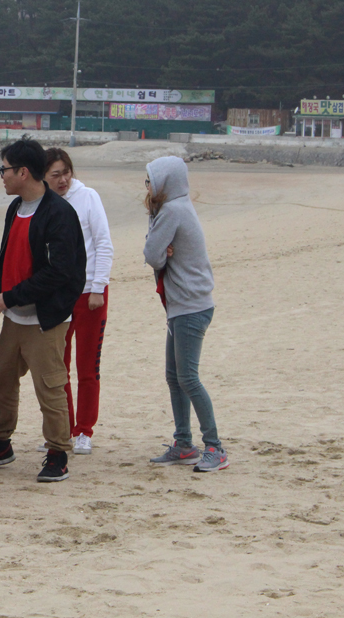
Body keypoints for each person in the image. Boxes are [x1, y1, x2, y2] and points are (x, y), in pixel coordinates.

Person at [0, 137, 86, 483]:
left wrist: (11, 296)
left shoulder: (58, 213)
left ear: (23, 172)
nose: (2, 176)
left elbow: (59, 271)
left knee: (50, 387)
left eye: (4, 169)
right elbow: (12, 254)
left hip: (45, 319)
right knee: (2, 380)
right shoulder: (16, 207)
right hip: (15, 317)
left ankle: (58, 453)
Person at [143, 156, 227, 473]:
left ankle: (215, 448)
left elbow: (152, 255)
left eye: (151, 180)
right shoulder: (173, 207)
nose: (147, 186)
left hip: (191, 306)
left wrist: (161, 252)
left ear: (165, 182)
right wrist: (160, 248)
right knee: (174, 376)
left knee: (188, 378)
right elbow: (156, 251)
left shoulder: (172, 210)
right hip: (184, 305)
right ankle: (183, 445)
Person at [43, 148, 114, 456]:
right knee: (57, 368)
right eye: (55, 175)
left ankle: (84, 430)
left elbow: (103, 243)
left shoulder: (88, 197)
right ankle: (63, 429)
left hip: (89, 295)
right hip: (58, 296)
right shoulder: (43, 202)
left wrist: (98, 287)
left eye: (66, 173)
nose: (63, 180)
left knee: (87, 367)